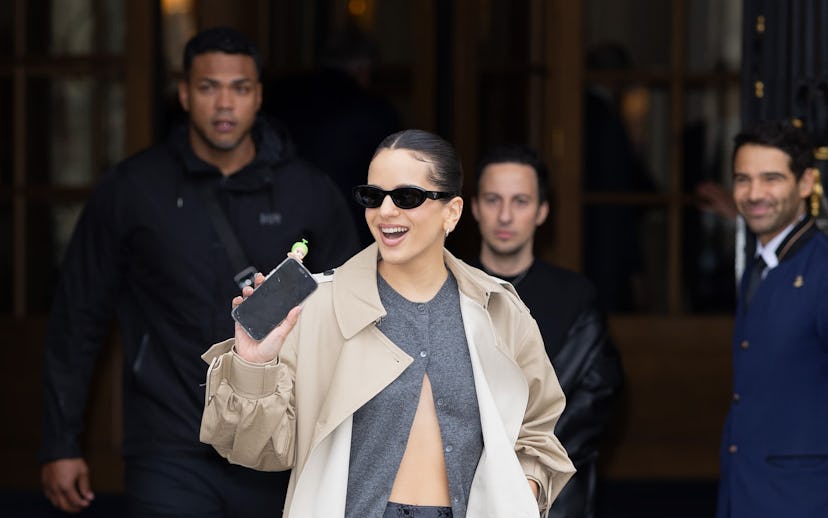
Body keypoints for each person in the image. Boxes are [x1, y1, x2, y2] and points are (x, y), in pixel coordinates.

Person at [39, 27, 359, 517]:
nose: (224, 103)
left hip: (272, 439)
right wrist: (60, 442)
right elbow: (77, 316)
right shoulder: (134, 188)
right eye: (209, 87)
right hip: (168, 441)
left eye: (240, 88)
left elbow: (352, 314)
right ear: (185, 94)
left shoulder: (307, 192)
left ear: (259, 96)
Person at [199, 129, 576, 517]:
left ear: (452, 211)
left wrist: (523, 491)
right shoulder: (318, 307)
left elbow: (537, 430)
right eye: (373, 196)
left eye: (407, 197)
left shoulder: (499, 310)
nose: (386, 211)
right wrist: (254, 364)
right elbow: (254, 448)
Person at [469, 144, 623, 518]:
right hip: (462, 488)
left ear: (542, 211)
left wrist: (529, 466)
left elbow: (594, 399)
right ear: (472, 208)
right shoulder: (449, 287)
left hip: (552, 497)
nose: (505, 215)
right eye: (493, 200)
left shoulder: (575, 296)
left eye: (520, 201)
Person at [717, 119, 828, 518]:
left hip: (804, 498)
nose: (754, 194)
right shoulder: (759, 266)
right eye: (743, 179)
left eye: (771, 178)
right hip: (745, 490)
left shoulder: (822, 270)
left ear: (805, 183)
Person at [264, 25, 402, 247]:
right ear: (362, 69)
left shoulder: (281, 95)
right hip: (352, 224)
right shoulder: (374, 110)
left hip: (277, 217)